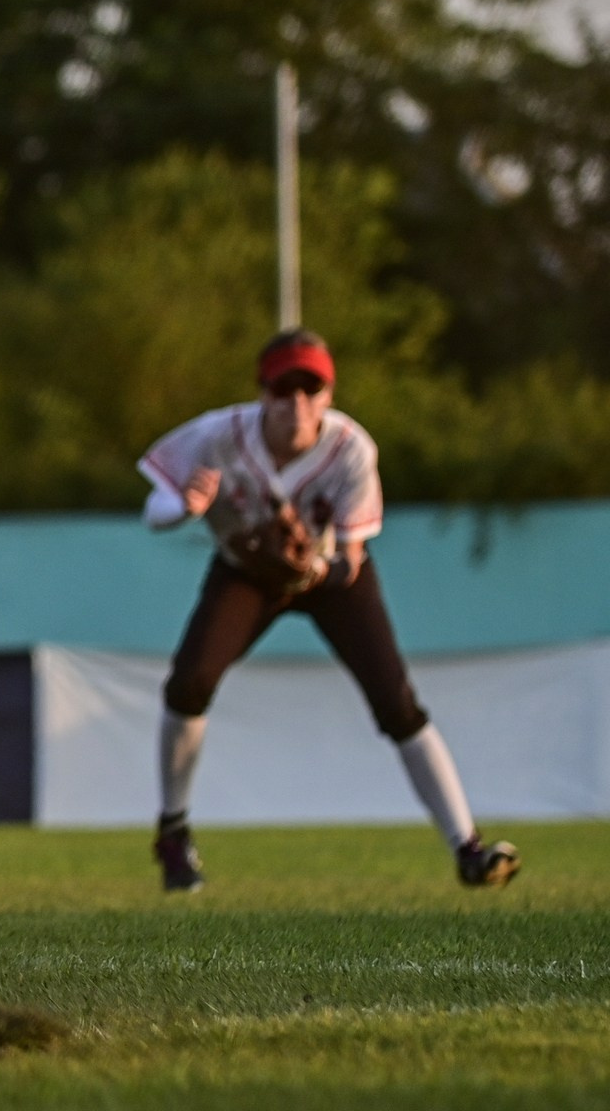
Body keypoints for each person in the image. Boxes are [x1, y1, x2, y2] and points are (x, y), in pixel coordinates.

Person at [138, 329, 518, 892]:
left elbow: (351, 560)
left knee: (396, 702)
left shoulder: (350, 449)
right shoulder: (219, 435)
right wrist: (184, 508)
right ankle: (173, 833)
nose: (296, 403)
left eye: (309, 389)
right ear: (262, 393)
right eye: (283, 389)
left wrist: (308, 569)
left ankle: (467, 846)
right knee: (189, 683)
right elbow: (155, 508)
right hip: (246, 571)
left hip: (327, 578)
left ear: (329, 396)